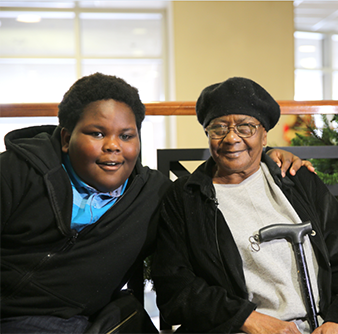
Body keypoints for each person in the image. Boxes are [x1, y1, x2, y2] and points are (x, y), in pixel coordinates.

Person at [0, 72, 312, 334]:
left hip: (88, 324)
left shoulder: (152, 194)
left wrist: (267, 159)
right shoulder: (15, 172)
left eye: (126, 135)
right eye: (97, 133)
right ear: (66, 138)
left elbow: (182, 269)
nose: (113, 146)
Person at [152, 77, 338, 334]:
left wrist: (334, 320)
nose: (231, 138)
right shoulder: (186, 197)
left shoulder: (297, 180)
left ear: (264, 136)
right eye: (218, 128)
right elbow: (174, 287)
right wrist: (248, 320)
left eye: (246, 127)